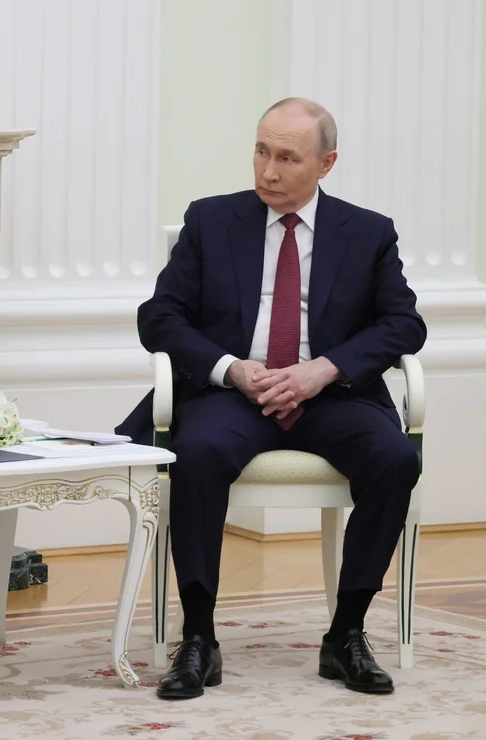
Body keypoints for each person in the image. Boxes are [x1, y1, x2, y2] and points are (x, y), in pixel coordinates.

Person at [116, 97, 425, 700]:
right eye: (261, 151)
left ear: (326, 163)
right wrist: (230, 369)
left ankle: (346, 633)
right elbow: (160, 318)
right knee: (196, 453)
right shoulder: (210, 220)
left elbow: (403, 324)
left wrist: (324, 370)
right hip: (235, 393)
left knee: (394, 459)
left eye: (287, 158)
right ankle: (199, 638)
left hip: (331, 395)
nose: (268, 171)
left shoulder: (367, 232)